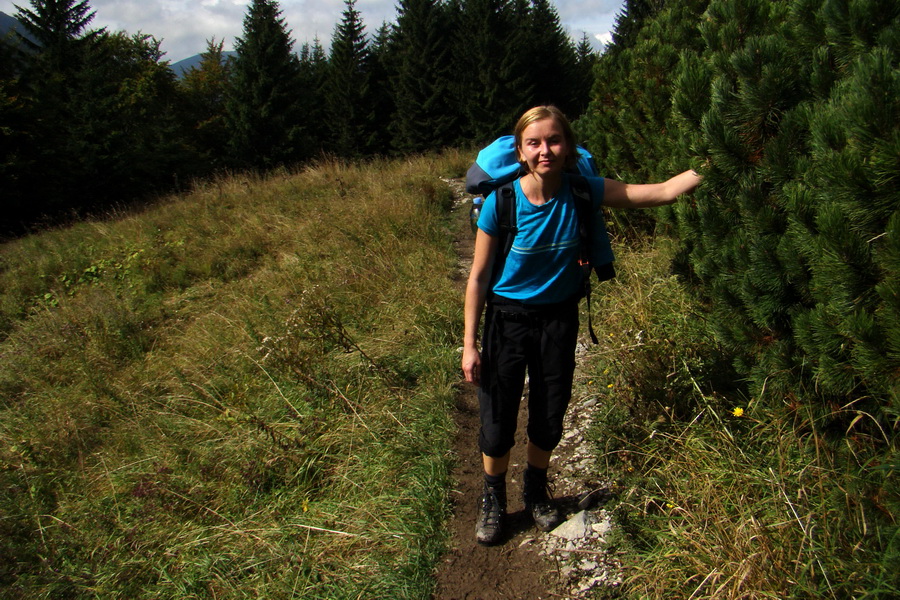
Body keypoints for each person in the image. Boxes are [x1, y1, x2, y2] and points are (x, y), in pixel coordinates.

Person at [462, 105, 701, 545]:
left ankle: (535, 491)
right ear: (520, 151)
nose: (545, 150)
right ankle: (493, 498)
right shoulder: (502, 201)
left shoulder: (584, 190)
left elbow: (664, 192)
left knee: (550, 414)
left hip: (558, 320)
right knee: (497, 419)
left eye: (554, 140)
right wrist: (469, 344)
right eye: (534, 143)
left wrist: (714, 159)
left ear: (568, 146)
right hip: (507, 322)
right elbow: (477, 277)